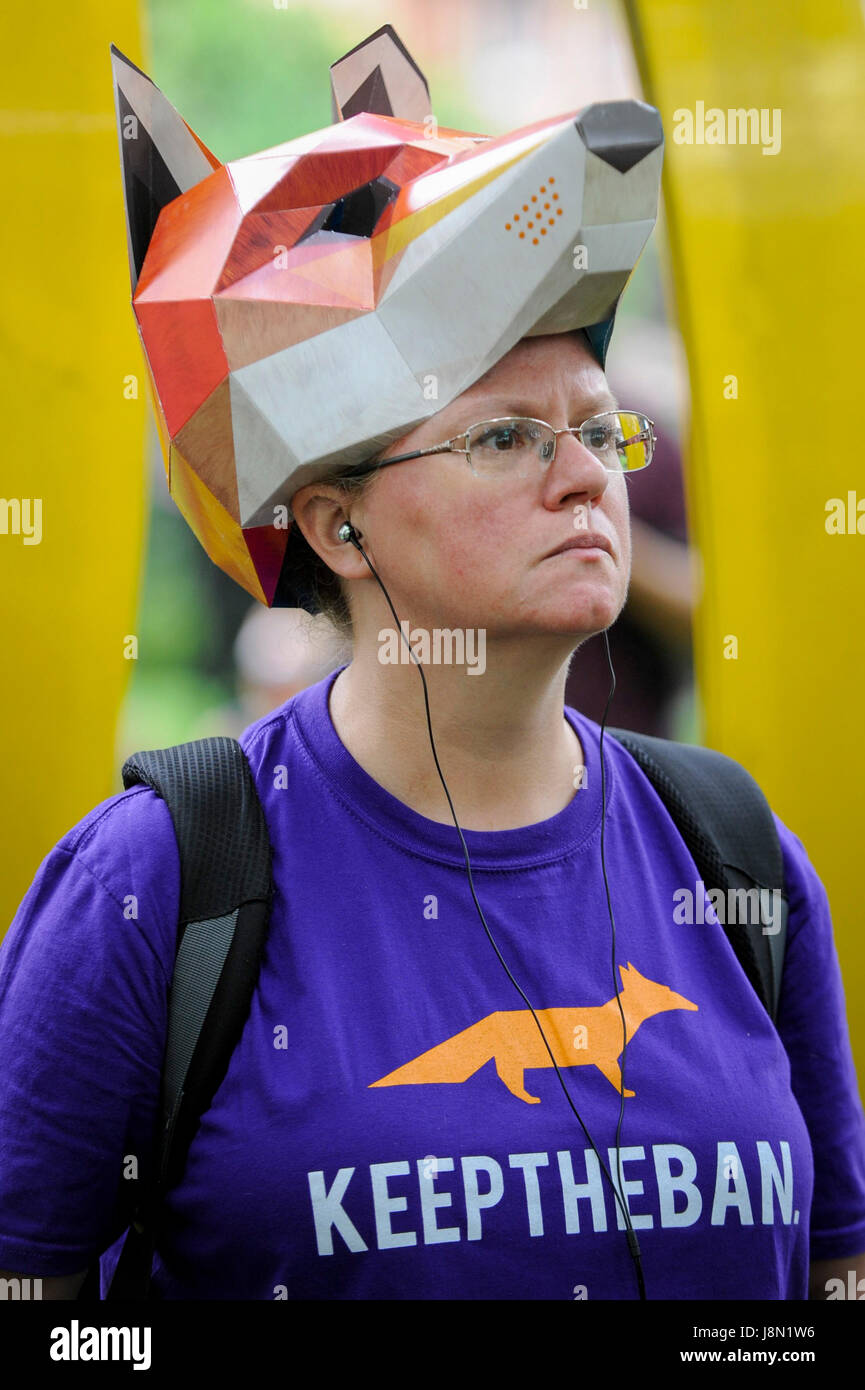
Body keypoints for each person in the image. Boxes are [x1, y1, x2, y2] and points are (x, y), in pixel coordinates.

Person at [1, 25, 864, 1303]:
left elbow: (835, 1281)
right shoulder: (158, 882)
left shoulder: (734, 851)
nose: (585, 475)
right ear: (336, 524)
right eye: (506, 436)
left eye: (595, 425)